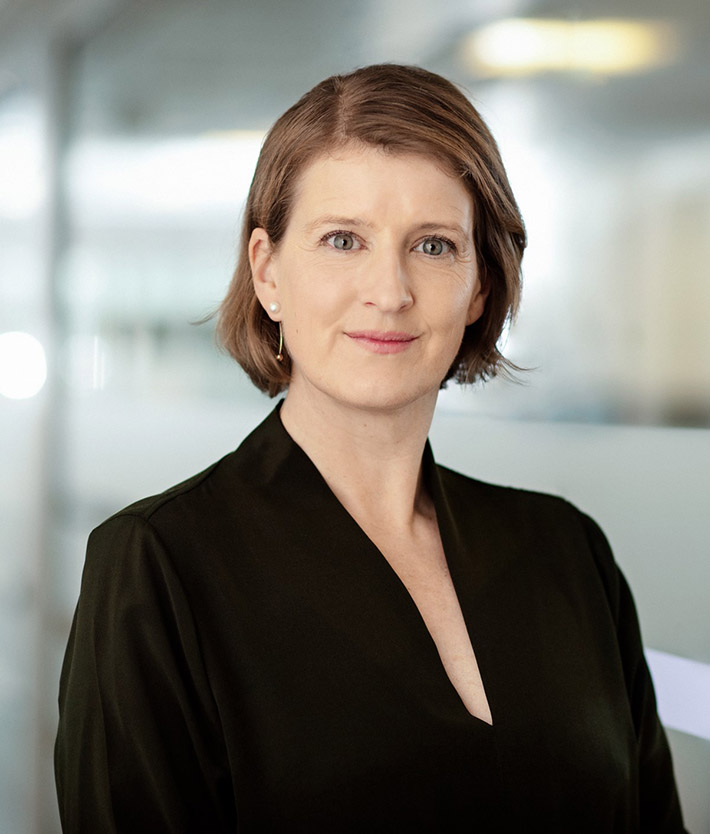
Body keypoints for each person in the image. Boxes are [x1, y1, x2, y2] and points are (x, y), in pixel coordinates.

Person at [55, 64, 688, 833]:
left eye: (433, 245)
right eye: (343, 240)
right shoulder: (159, 567)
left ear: (480, 286)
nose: (389, 292)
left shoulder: (568, 553)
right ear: (268, 271)